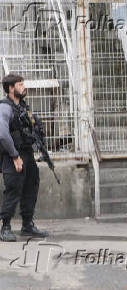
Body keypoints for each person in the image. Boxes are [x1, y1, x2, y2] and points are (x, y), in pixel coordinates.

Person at [0, 74, 48, 242]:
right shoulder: (5, 108)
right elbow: (3, 134)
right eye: (20, 84)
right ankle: (5, 227)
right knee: (13, 189)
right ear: (11, 88)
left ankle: (27, 225)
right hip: (12, 154)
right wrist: (15, 156)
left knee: (30, 187)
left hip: (28, 154)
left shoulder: (22, 107)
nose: (24, 87)